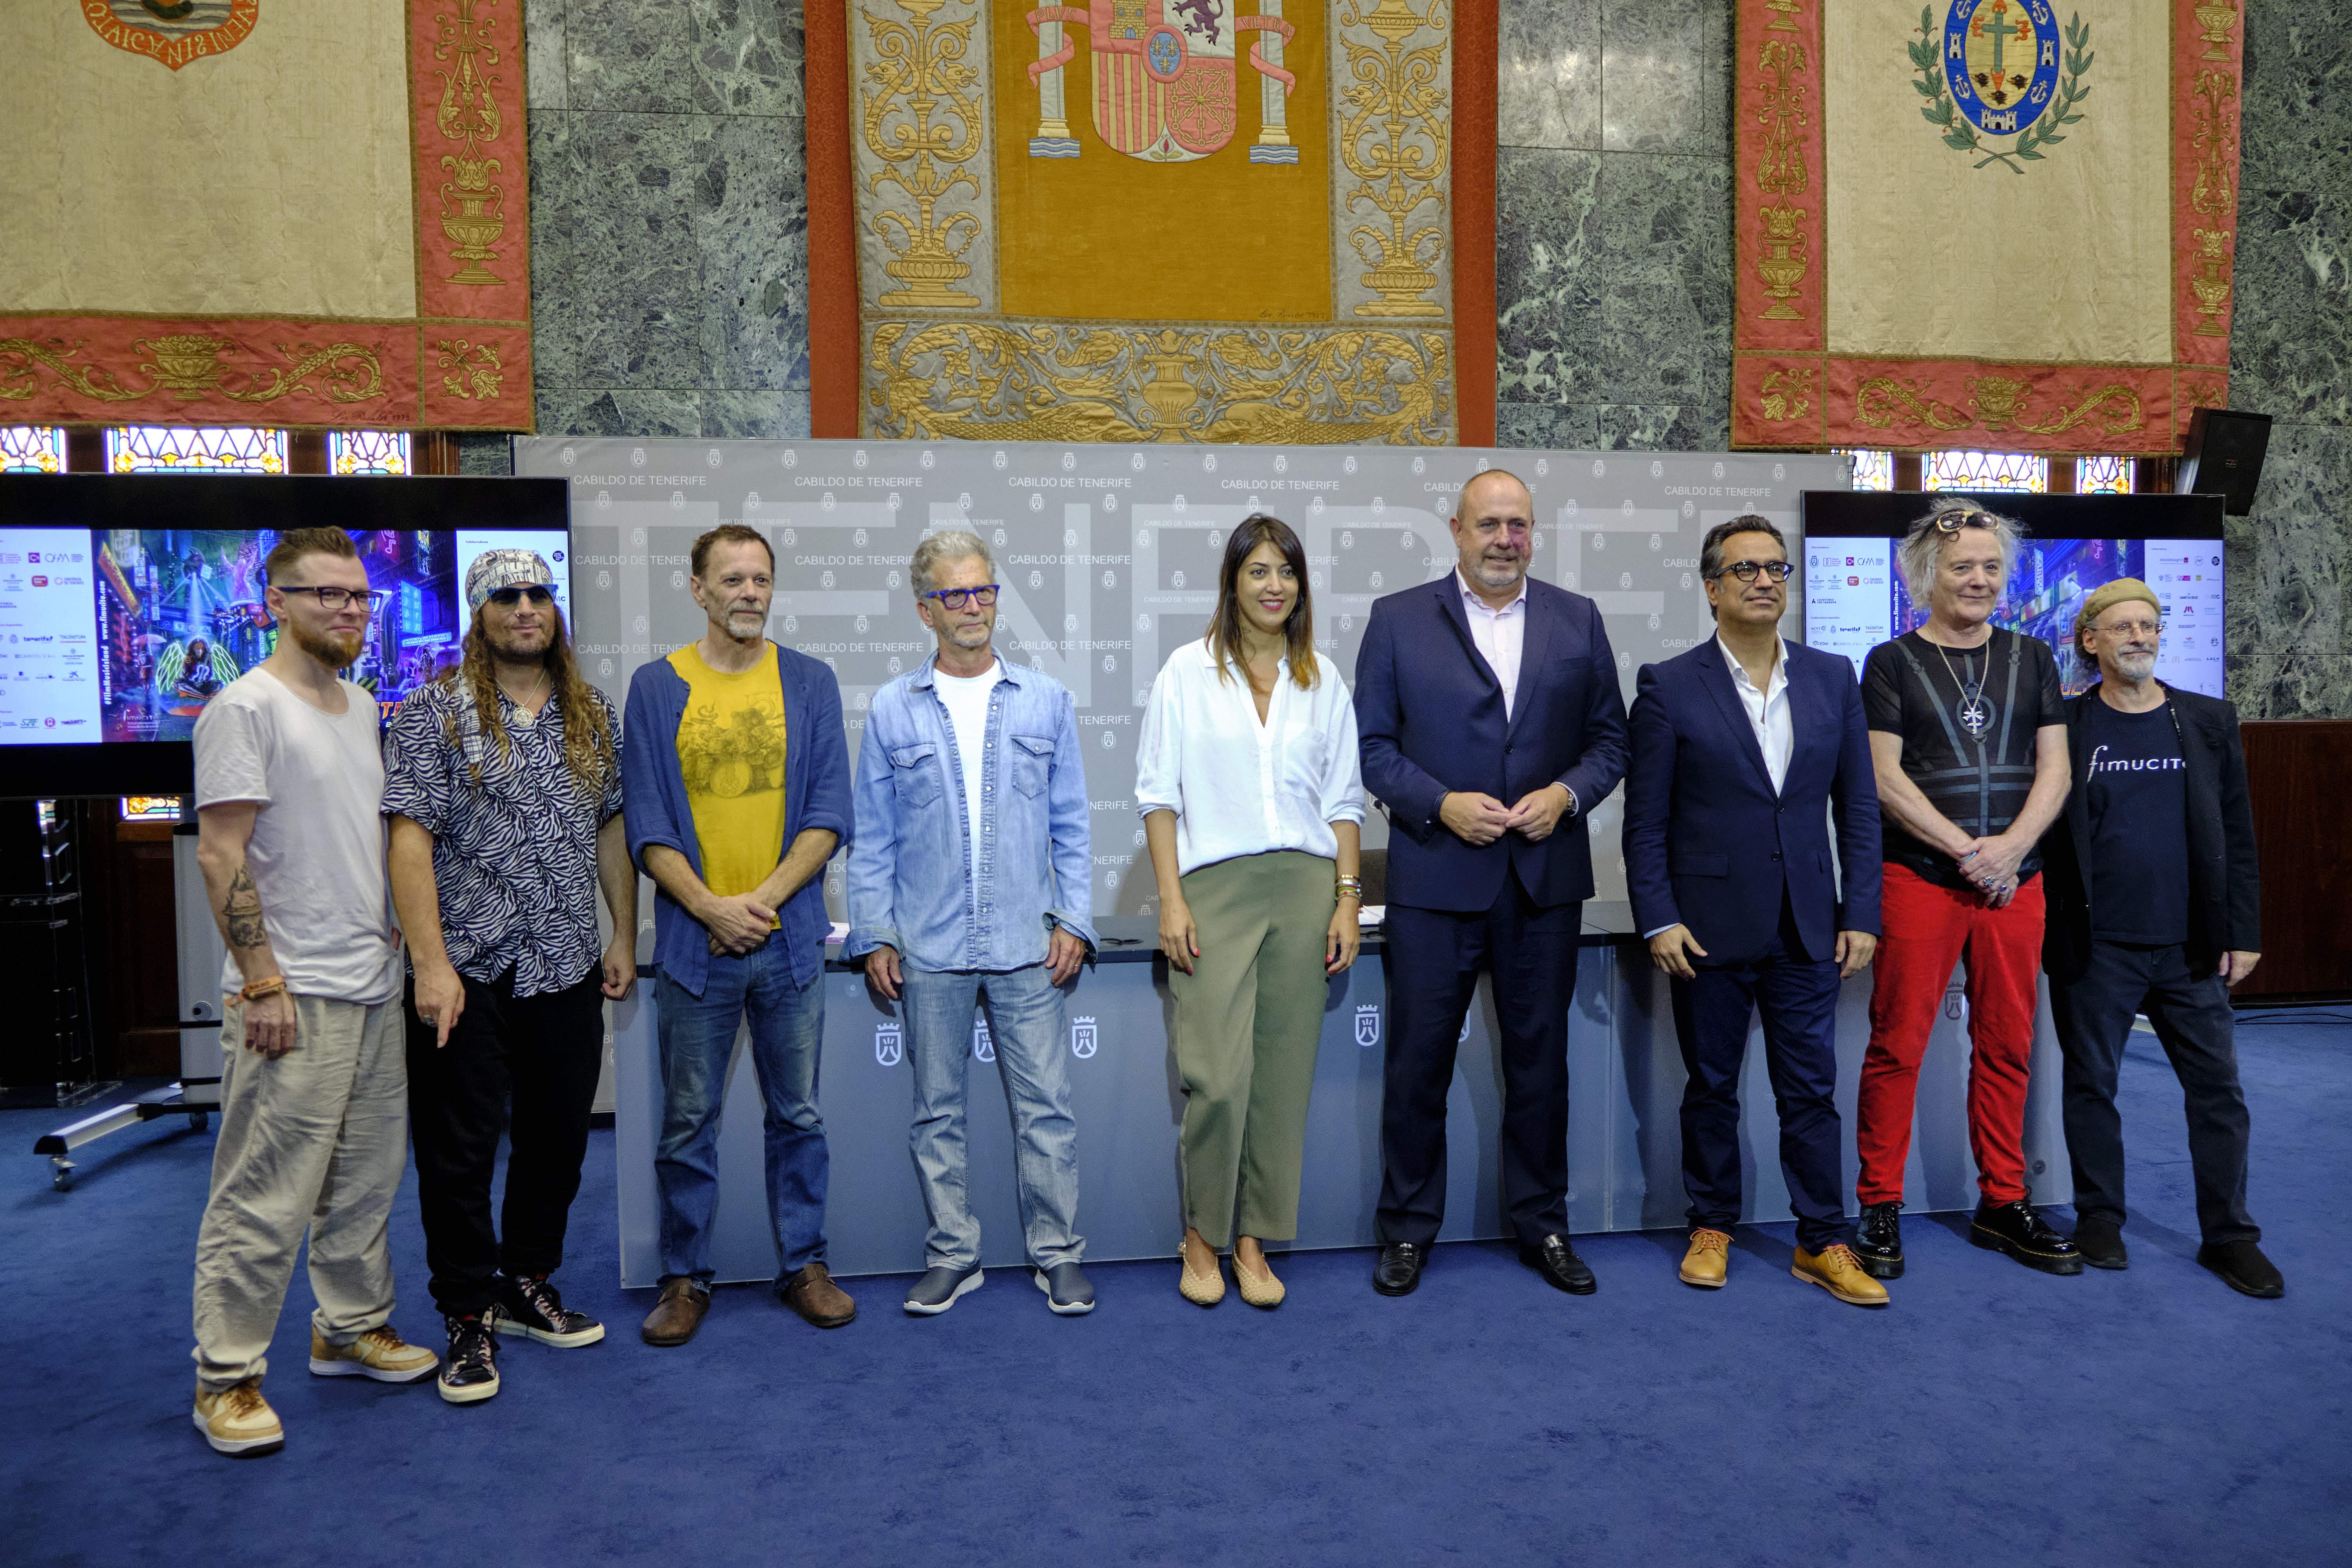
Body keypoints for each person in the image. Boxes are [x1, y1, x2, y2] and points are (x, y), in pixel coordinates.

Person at [188, 527, 436, 1457]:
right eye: (325, 593)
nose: (347, 609)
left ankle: (348, 1326)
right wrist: (261, 979)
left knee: (364, 1181)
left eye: (359, 596)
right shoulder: (244, 709)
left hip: (372, 986)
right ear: (275, 602)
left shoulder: (361, 704)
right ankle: (228, 1377)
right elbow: (222, 852)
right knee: (264, 1193)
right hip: (289, 993)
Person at [1354, 469, 1628, 1299]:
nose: (1504, 538)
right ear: (1456, 529)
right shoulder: (1398, 619)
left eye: (1519, 524)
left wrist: (1565, 795)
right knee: (1417, 1066)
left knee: (1542, 1068)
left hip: (1543, 880)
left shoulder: (1577, 619)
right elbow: (1371, 748)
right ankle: (1405, 1229)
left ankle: (1542, 1224)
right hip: (1436, 879)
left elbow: (1610, 742)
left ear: (1533, 533)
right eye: (1489, 524)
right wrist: (1438, 802)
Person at [383, 549, 639, 1404]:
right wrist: (430, 964)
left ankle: (525, 1281)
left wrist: (623, 934)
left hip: (566, 960)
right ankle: (466, 1316)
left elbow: (612, 831)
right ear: (479, 611)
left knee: (558, 1138)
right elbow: (409, 840)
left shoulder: (591, 713)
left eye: (538, 593)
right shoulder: (433, 713)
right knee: (457, 1154)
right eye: (506, 595)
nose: (526, 607)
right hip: (470, 970)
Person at [1624, 516, 1887, 1307]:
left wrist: (1862, 910)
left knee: (1811, 1089)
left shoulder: (1833, 677)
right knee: (1711, 1084)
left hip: (1809, 922)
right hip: (1705, 925)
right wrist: (1658, 916)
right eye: (1745, 569)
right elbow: (1647, 820)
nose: (1765, 580)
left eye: (1776, 567)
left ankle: (1824, 1240)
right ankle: (1712, 1226)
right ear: (1712, 588)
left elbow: (1861, 808)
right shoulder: (1668, 685)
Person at [847, 530, 1099, 1317]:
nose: (974, 607)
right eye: (955, 594)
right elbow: (873, 834)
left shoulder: (1046, 700)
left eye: (984, 590)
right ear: (926, 608)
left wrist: (1076, 919)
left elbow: (1073, 827)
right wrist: (875, 931)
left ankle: (1057, 1254)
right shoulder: (893, 707)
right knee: (936, 1114)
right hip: (928, 946)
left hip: (1030, 943)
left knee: (1048, 1109)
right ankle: (954, 1255)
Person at [623, 523, 857, 1344]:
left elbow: (830, 814)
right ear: (698, 588)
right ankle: (684, 1277)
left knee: (799, 1114)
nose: (749, 591)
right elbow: (647, 823)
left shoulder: (810, 682)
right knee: (687, 1121)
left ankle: (805, 1264)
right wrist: (712, 908)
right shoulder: (657, 687)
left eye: (760, 578)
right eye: (732, 578)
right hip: (695, 947)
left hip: (789, 944)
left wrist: (756, 902)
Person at [1138, 514, 1365, 1309]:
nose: (1275, 586)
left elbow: (1343, 801)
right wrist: (1170, 898)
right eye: (1259, 571)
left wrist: (1346, 899)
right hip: (1214, 889)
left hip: (1305, 889)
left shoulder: (1322, 678)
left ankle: (1252, 1240)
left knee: (1281, 1078)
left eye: (1288, 572)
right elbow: (1159, 795)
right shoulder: (1186, 672)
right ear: (1232, 581)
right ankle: (1199, 1234)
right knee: (1218, 1077)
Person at [1852, 499, 2080, 1279]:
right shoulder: (1888, 661)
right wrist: (1964, 849)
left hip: (2018, 880)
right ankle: (1879, 1204)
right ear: (1925, 575)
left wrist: (2012, 848)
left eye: (1990, 567)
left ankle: (2003, 1200)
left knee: (2010, 1043)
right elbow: (1884, 777)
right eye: (1962, 567)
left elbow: (2057, 768)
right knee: (1898, 1044)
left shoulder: (2035, 656)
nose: (1979, 579)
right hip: (1919, 876)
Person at [2040, 579, 2282, 1298]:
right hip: (2097, 944)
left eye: (2148, 625)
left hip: (2191, 947)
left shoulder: (2206, 720)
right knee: (2091, 1087)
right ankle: (2101, 1220)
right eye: (2121, 628)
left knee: (2218, 1094)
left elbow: (2237, 835)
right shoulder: (2065, 725)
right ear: (2091, 642)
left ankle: (2230, 1237)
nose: (2139, 637)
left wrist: (2243, 930)